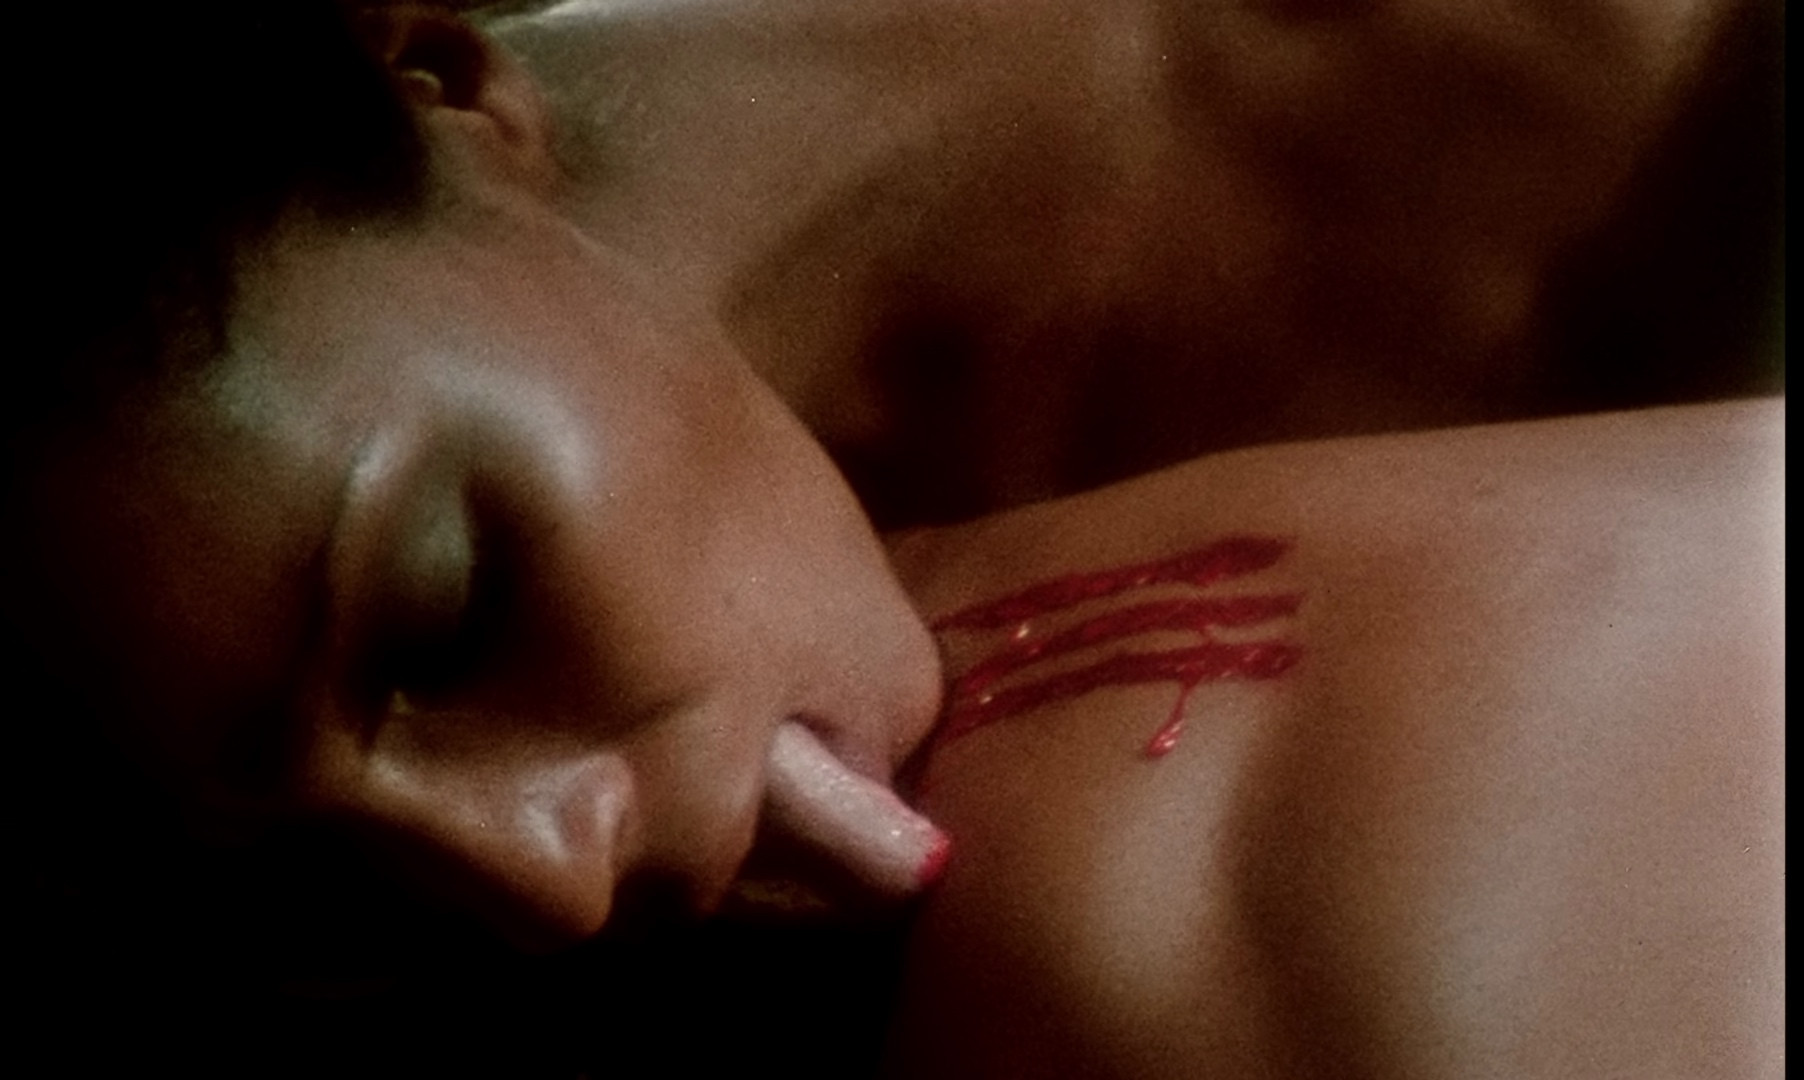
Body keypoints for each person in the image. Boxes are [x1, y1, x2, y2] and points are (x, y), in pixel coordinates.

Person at [7, 0, 1780, 1076]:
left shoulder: (1611, 76)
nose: (542, 891)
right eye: (312, 892)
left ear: (453, 92)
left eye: (451, 609)